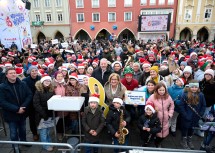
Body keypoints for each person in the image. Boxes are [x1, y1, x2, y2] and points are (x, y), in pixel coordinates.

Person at [0, 67, 33, 152]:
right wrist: (17, 109)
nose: (13, 74)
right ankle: (15, 146)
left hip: (22, 111)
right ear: (6, 75)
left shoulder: (23, 84)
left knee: (23, 129)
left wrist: (23, 106)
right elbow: (2, 102)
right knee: (13, 132)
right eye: (11, 73)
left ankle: (23, 141)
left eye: (14, 72)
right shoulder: (2, 87)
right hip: (11, 114)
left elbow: (29, 95)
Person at [179, 80, 206, 150]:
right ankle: (183, 140)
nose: (194, 88)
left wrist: (200, 114)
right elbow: (181, 105)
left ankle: (189, 140)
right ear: (189, 87)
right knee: (185, 128)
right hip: (186, 116)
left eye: (196, 87)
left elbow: (203, 105)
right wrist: (185, 115)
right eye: (192, 87)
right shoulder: (185, 94)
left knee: (192, 128)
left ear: (198, 87)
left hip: (195, 116)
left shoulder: (201, 95)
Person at [147, 82, 174, 147]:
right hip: (155, 118)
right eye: (160, 90)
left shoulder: (168, 97)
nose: (162, 92)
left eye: (163, 90)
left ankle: (158, 143)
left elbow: (172, 105)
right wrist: (153, 110)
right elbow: (148, 105)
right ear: (157, 90)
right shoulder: (152, 97)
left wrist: (170, 114)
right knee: (155, 132)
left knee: (163, 133)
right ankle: (155, 143)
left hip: (165, 117)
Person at [33, 75, 54, 151]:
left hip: (49, 114)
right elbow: (36, 104)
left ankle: (49, 143)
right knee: (43, 131)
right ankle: (45, 145)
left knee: (48, 130)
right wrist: (43, 114)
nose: (47, 82)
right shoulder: (38, 91)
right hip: (41, 115)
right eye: (46, 81)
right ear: (42, 82)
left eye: (49, 81)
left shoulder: (51, 90)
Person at [23, 66, 41, 141]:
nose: (34, 72)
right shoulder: (25, 81)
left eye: (35, 71)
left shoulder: (40, 78)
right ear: (29, 72)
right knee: (32, 119)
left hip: (39, 101)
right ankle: (35, 133)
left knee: (40, 117)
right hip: (30, 103)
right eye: (32, 71)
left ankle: (42, 131)